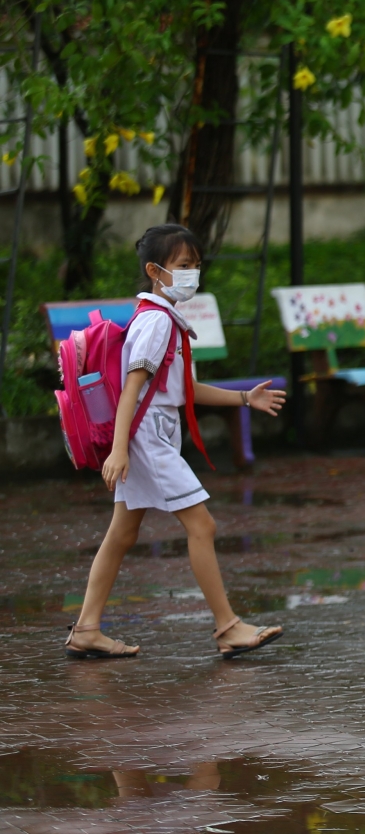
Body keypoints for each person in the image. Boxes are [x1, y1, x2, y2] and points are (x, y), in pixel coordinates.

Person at [64, 224, 288, 661]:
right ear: (154, 271)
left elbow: (183, 390)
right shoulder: (156, 321)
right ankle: (228, 627)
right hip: (147, 439)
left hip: (149, 434)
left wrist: (245, 398)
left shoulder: (164, 319)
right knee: (202, 526)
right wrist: (121, 448)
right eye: (183, 266)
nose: (192, 274)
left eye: (196, 266)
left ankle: (87, 629)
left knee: (122, 534)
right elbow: (132, 388)